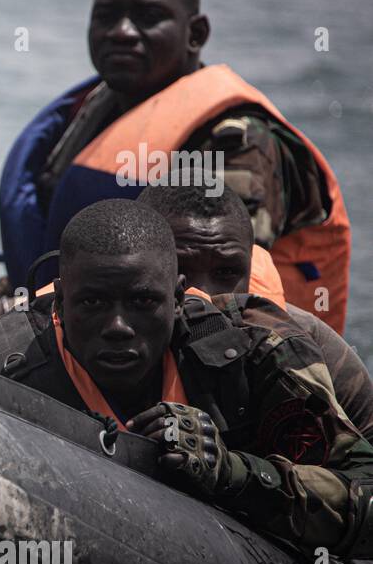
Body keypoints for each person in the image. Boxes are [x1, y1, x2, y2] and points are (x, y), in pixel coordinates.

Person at [0, 0, 350, 349]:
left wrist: (8, 314)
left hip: (231, 366)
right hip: (86, 343)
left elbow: (211, 287)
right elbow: (56, 250)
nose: (122, 32)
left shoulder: (237, 142)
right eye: (107, 16)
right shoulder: (85, 118)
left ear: (195, 33)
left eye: (148, 17)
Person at [0, 198, 373, 557]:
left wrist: (231, 471)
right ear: (60, 298)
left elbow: (363, 494)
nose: (118, 326)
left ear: (178, 299)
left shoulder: (254, 351)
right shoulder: (1, 368)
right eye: (92, 302)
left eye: (144, 301)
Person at [135, 181, 373, 437]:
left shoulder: (306, 345)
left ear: (249, 266)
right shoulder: (107, 331)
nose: (203, 296)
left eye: (226, 273)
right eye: (181, 270)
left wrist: (236, 469)